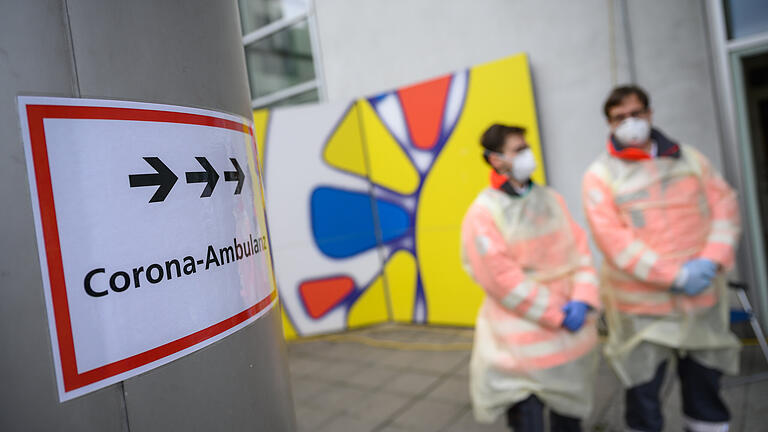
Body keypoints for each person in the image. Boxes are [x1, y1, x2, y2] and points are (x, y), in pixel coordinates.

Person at [582, 85, 741, 432]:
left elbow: (724, 207)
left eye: (636, 113)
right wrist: (674, 276)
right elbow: (613, 241)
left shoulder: (691, 160)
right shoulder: (601, 175)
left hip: (700, 303)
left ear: (650, 113)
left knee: (706, 396)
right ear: (609, 124)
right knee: (644, 399)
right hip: (643, 316)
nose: (630, 122)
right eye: (620, 117)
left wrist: (711, 259)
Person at [461, 124, 601, 432]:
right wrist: (555, 312)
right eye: (518, 150)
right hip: (520, 352)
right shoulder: (484, 212)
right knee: (528, 421)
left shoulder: (550, 199)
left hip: (566, 342)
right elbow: (501, 279)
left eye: (526, 147)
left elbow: (580, 251)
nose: (528, 155)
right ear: (496, 160)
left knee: (568, 418)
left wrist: (582, 298)